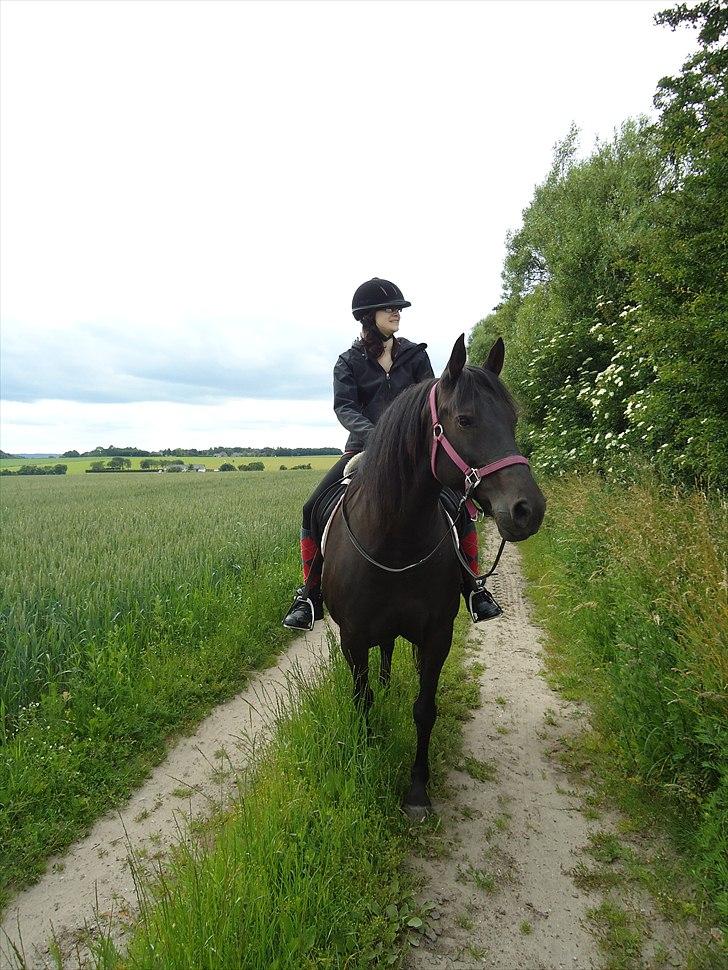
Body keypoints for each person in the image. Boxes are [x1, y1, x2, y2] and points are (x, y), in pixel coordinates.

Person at [282, 277, 501, 630]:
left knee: (458, 504)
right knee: (313, 508)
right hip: (362, 449)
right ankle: (309, 593)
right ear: (369, 316)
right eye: (390, 308)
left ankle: (473, 587)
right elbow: (345, 408)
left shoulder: (415, 355)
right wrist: (377, 437)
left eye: (398, 308)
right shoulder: (348, 362)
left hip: (417, 453)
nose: (397, 313)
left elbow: (433, 401)